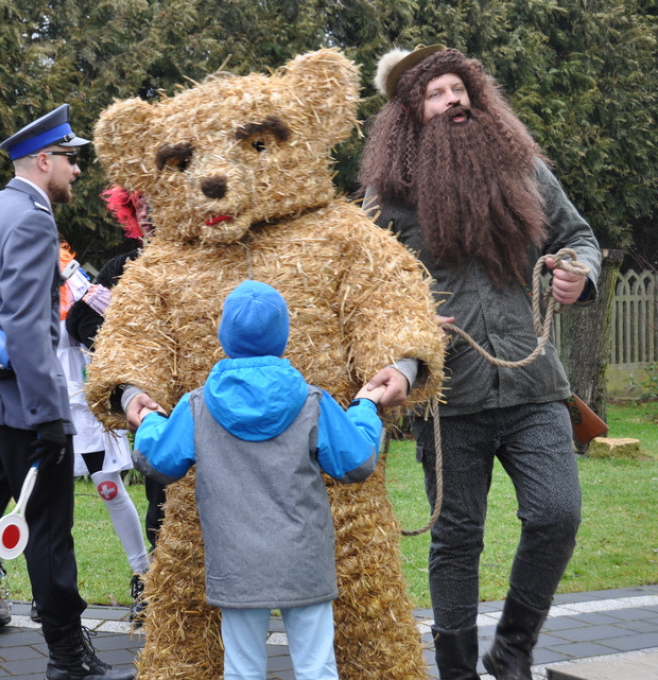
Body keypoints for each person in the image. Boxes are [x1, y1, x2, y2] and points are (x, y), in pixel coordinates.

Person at [358, 45, 602, 680]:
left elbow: (577, 237)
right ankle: (459, 671)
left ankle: (513, 649)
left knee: (558, 515)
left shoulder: (524, 172)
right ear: (412, 113)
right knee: (457, 540)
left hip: (535, 387)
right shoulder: (386, 198)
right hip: (450, 399)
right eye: (437, 94)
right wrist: (400, 324)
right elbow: (363, 285)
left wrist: (577, 270)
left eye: (459, 90)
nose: (453, 101)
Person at [0, 104, 136, 680]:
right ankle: (67, 658)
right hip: (28, 411)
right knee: (50, 533)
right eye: (72, 160)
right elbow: (30, 326)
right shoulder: (32, 219)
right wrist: (52, 416)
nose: (78, 171)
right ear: (44, 160)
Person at [132, 280, 386, 680]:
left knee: (242, 668)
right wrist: (366, 408)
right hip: (304, 558)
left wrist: (147, 420)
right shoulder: (311, 401)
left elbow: (160, 463)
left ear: (224, 335)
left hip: (235, 562)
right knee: (317, 667)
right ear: (283, 337)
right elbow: (356, 463)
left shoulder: (197, 405)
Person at [57, 241, 149, 626]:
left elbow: (93, 325)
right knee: (51, 497)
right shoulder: (10, 285)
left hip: (82, 401)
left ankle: (143, 575)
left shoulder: (75, 280)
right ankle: (56, 589)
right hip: (42, 403)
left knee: (109, 488)